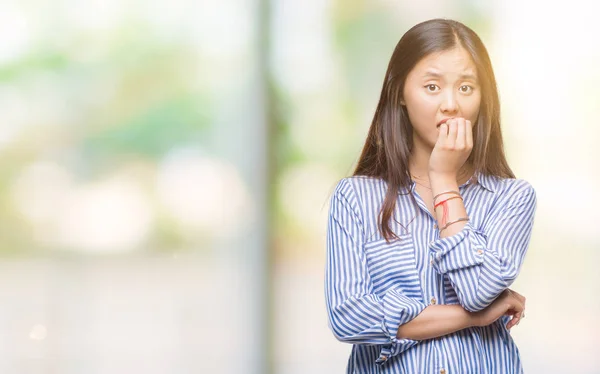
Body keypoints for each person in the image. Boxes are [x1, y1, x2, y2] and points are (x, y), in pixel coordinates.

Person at [324, 18, 538, 373]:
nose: (451, 104)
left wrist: (443, 178)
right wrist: (475, 318)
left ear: (484, 98)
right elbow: (350, 319)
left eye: (466, 87)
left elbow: (477, 290)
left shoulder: (511, 197)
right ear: (400, 94)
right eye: (433, 86)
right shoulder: (355, 198)